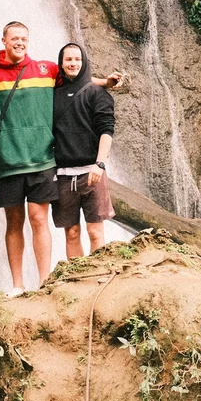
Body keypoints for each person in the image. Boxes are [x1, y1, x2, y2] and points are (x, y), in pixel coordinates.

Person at [0, 23, 121, 295]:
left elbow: (78, 76)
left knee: (38, 219)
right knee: (14, 223)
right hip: (6, 160)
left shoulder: (45, 70)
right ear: (4, 41)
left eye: (24, 38)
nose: (19, 43)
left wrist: (105, 83)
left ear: (28, 41)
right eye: (14, 39)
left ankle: (45, 282)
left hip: (42, 159)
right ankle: (17, 285)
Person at [52, 43, 116, 259]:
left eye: (77, 59)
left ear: (84, 61)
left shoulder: (97, 94)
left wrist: (100, 164)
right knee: (71, 233)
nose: (73, 63)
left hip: (92, 172)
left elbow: (107, 131)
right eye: (68, 59)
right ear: (61, 63)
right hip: (63, 176)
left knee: (95, 232)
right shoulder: (53, 94)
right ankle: (76, 280)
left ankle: (97, 279)